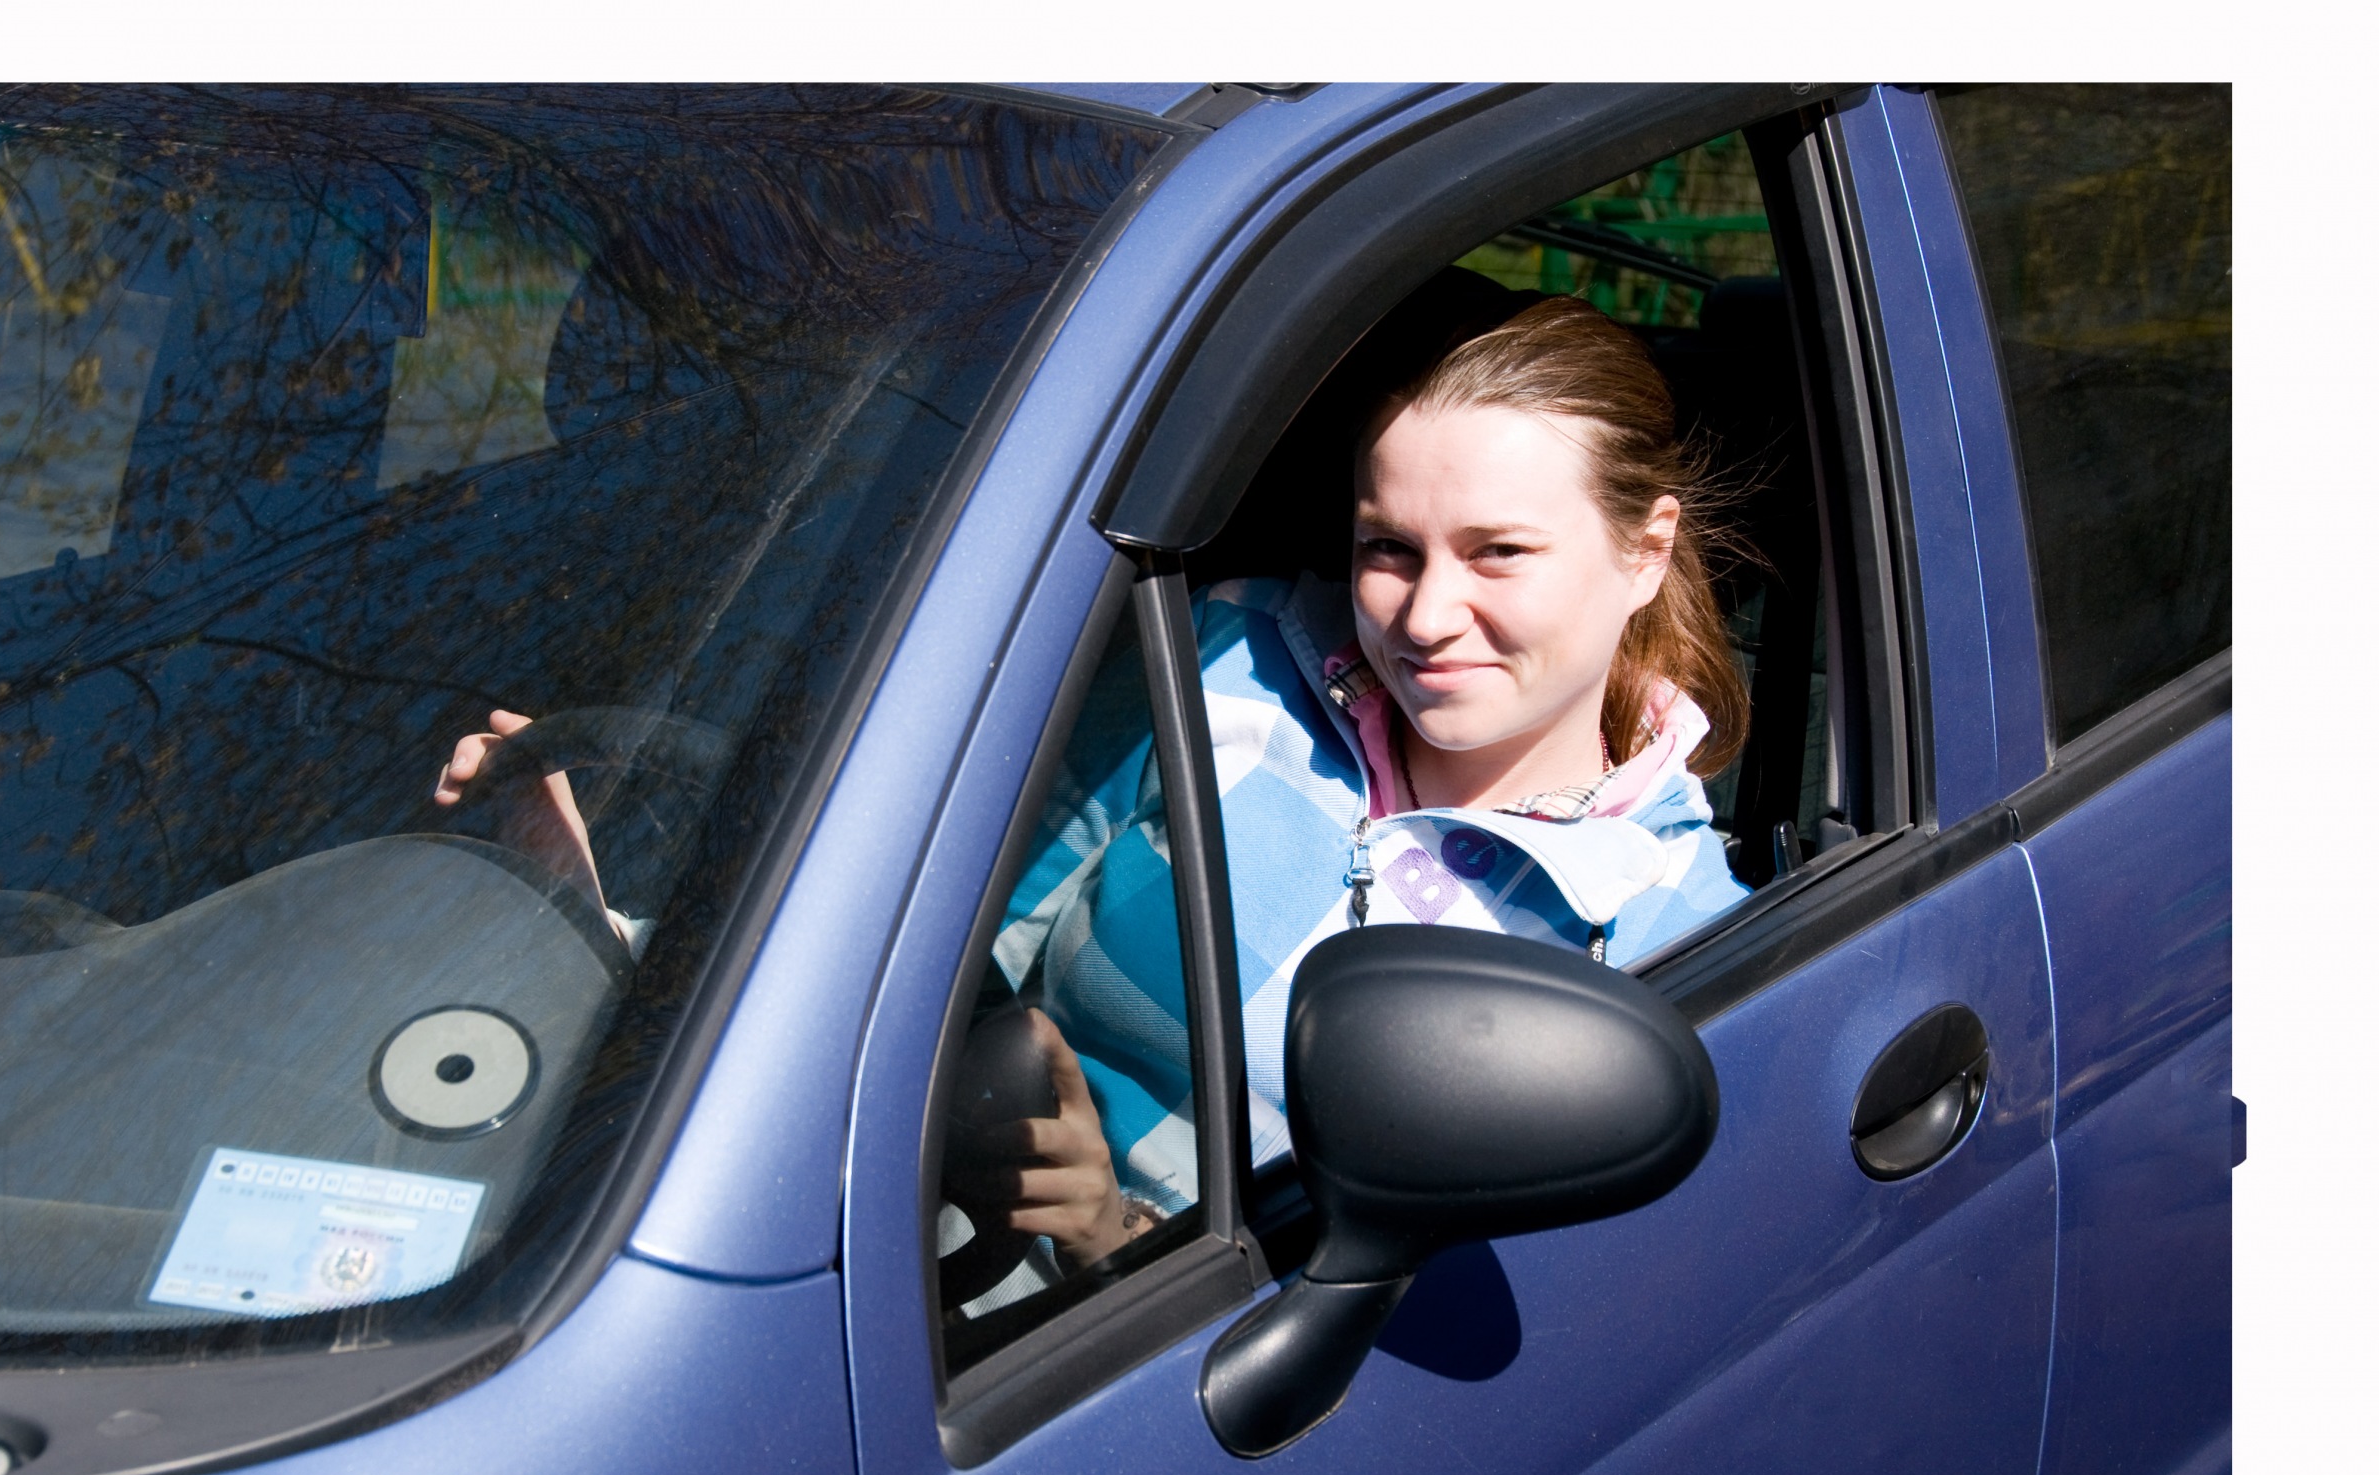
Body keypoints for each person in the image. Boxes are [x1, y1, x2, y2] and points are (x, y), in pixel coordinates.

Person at [440, 295, 1756, 1296]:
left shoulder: (1660, 935)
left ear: (1645, 551)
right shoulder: (1227, 665)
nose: (1423, 614)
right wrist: (586, 922)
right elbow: (915, 948)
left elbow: (1452, 1352)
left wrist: (1108, 1229)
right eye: (1388, 549)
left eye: (1499, 553)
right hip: (870, 1248)